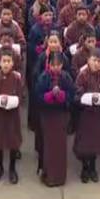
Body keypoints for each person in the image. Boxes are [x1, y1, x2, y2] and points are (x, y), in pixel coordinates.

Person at [34, 51, 74, 186]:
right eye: (53, 65)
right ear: (49, 64)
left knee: (60, 147)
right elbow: (38, 96)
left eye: (58, 65)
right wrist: (50, 96)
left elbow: (71, 95)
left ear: (62, 65)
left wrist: (62, 96)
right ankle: (48, 175)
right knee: (48, 146)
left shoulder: (66, 77)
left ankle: (60, 177)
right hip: (48, 116)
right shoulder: (43, 77)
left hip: (61, 116)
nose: (56, 67)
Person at [0, 48, 24, 184]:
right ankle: (0, 167)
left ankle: (12, 168)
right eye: (4, 61)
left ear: (13, 63)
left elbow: (20, 96)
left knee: (13, 142)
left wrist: (11, 101)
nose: (6, 64)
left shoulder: (16, 79)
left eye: (9, 61)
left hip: (12, 116)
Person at [74, 48, 100, 182]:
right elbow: (77, 94)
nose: (96, 63)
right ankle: (84, 168)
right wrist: (88, 98)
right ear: (88, 60)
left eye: (99, 61)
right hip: (85, 114)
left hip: (98, 114)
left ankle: (93, 168)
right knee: (85, 143)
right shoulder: (82, 75)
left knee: (95, 142)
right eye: (94, 60)